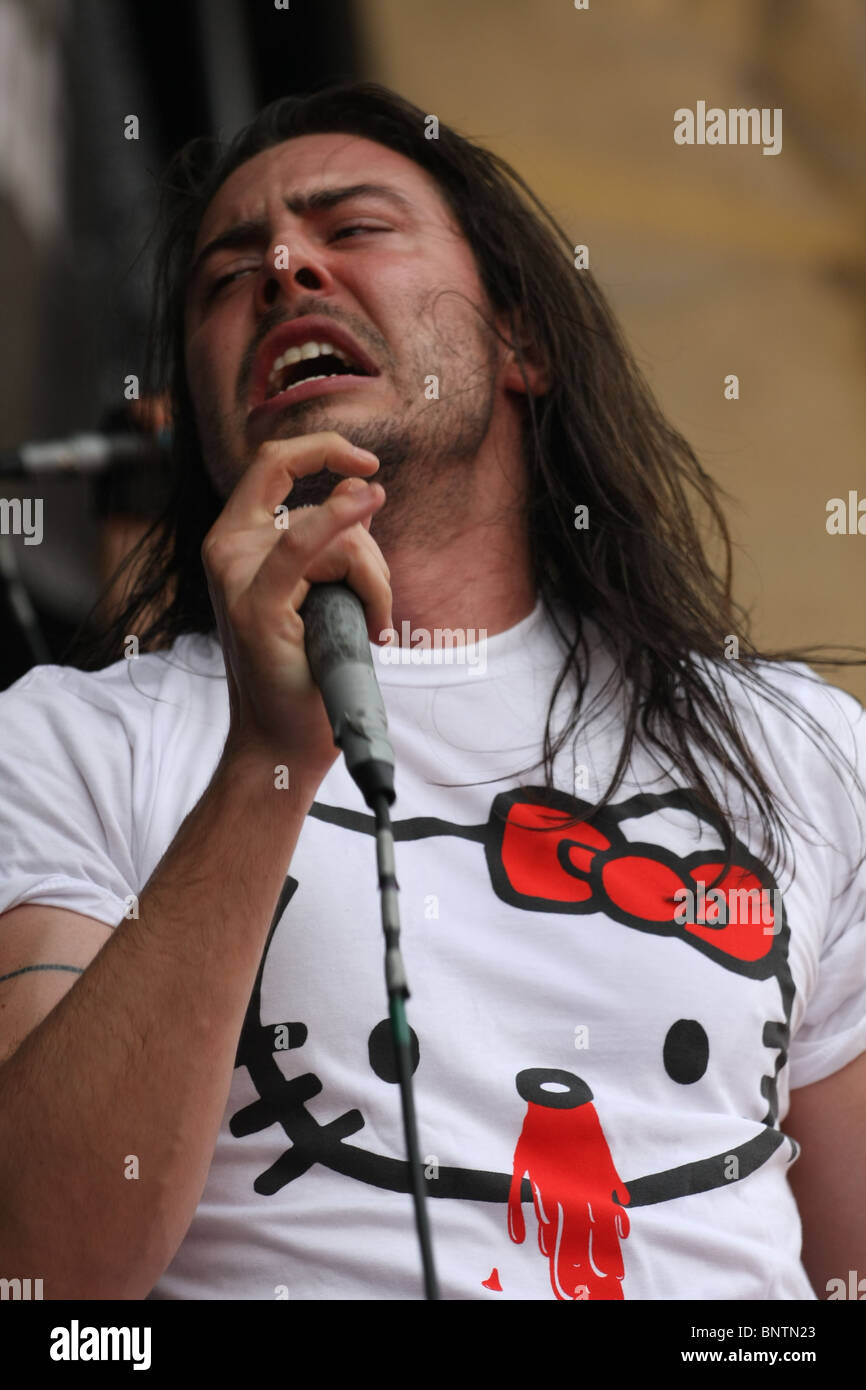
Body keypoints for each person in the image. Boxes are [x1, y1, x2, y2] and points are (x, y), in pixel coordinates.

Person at [0, 82, 864, 1303]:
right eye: (225, 273)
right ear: (203, 422)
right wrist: (265, 764)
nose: (286, 266)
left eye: (349, 228)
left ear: (522, 341)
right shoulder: (73, 740)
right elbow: (36, 1271)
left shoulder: (799, 753)